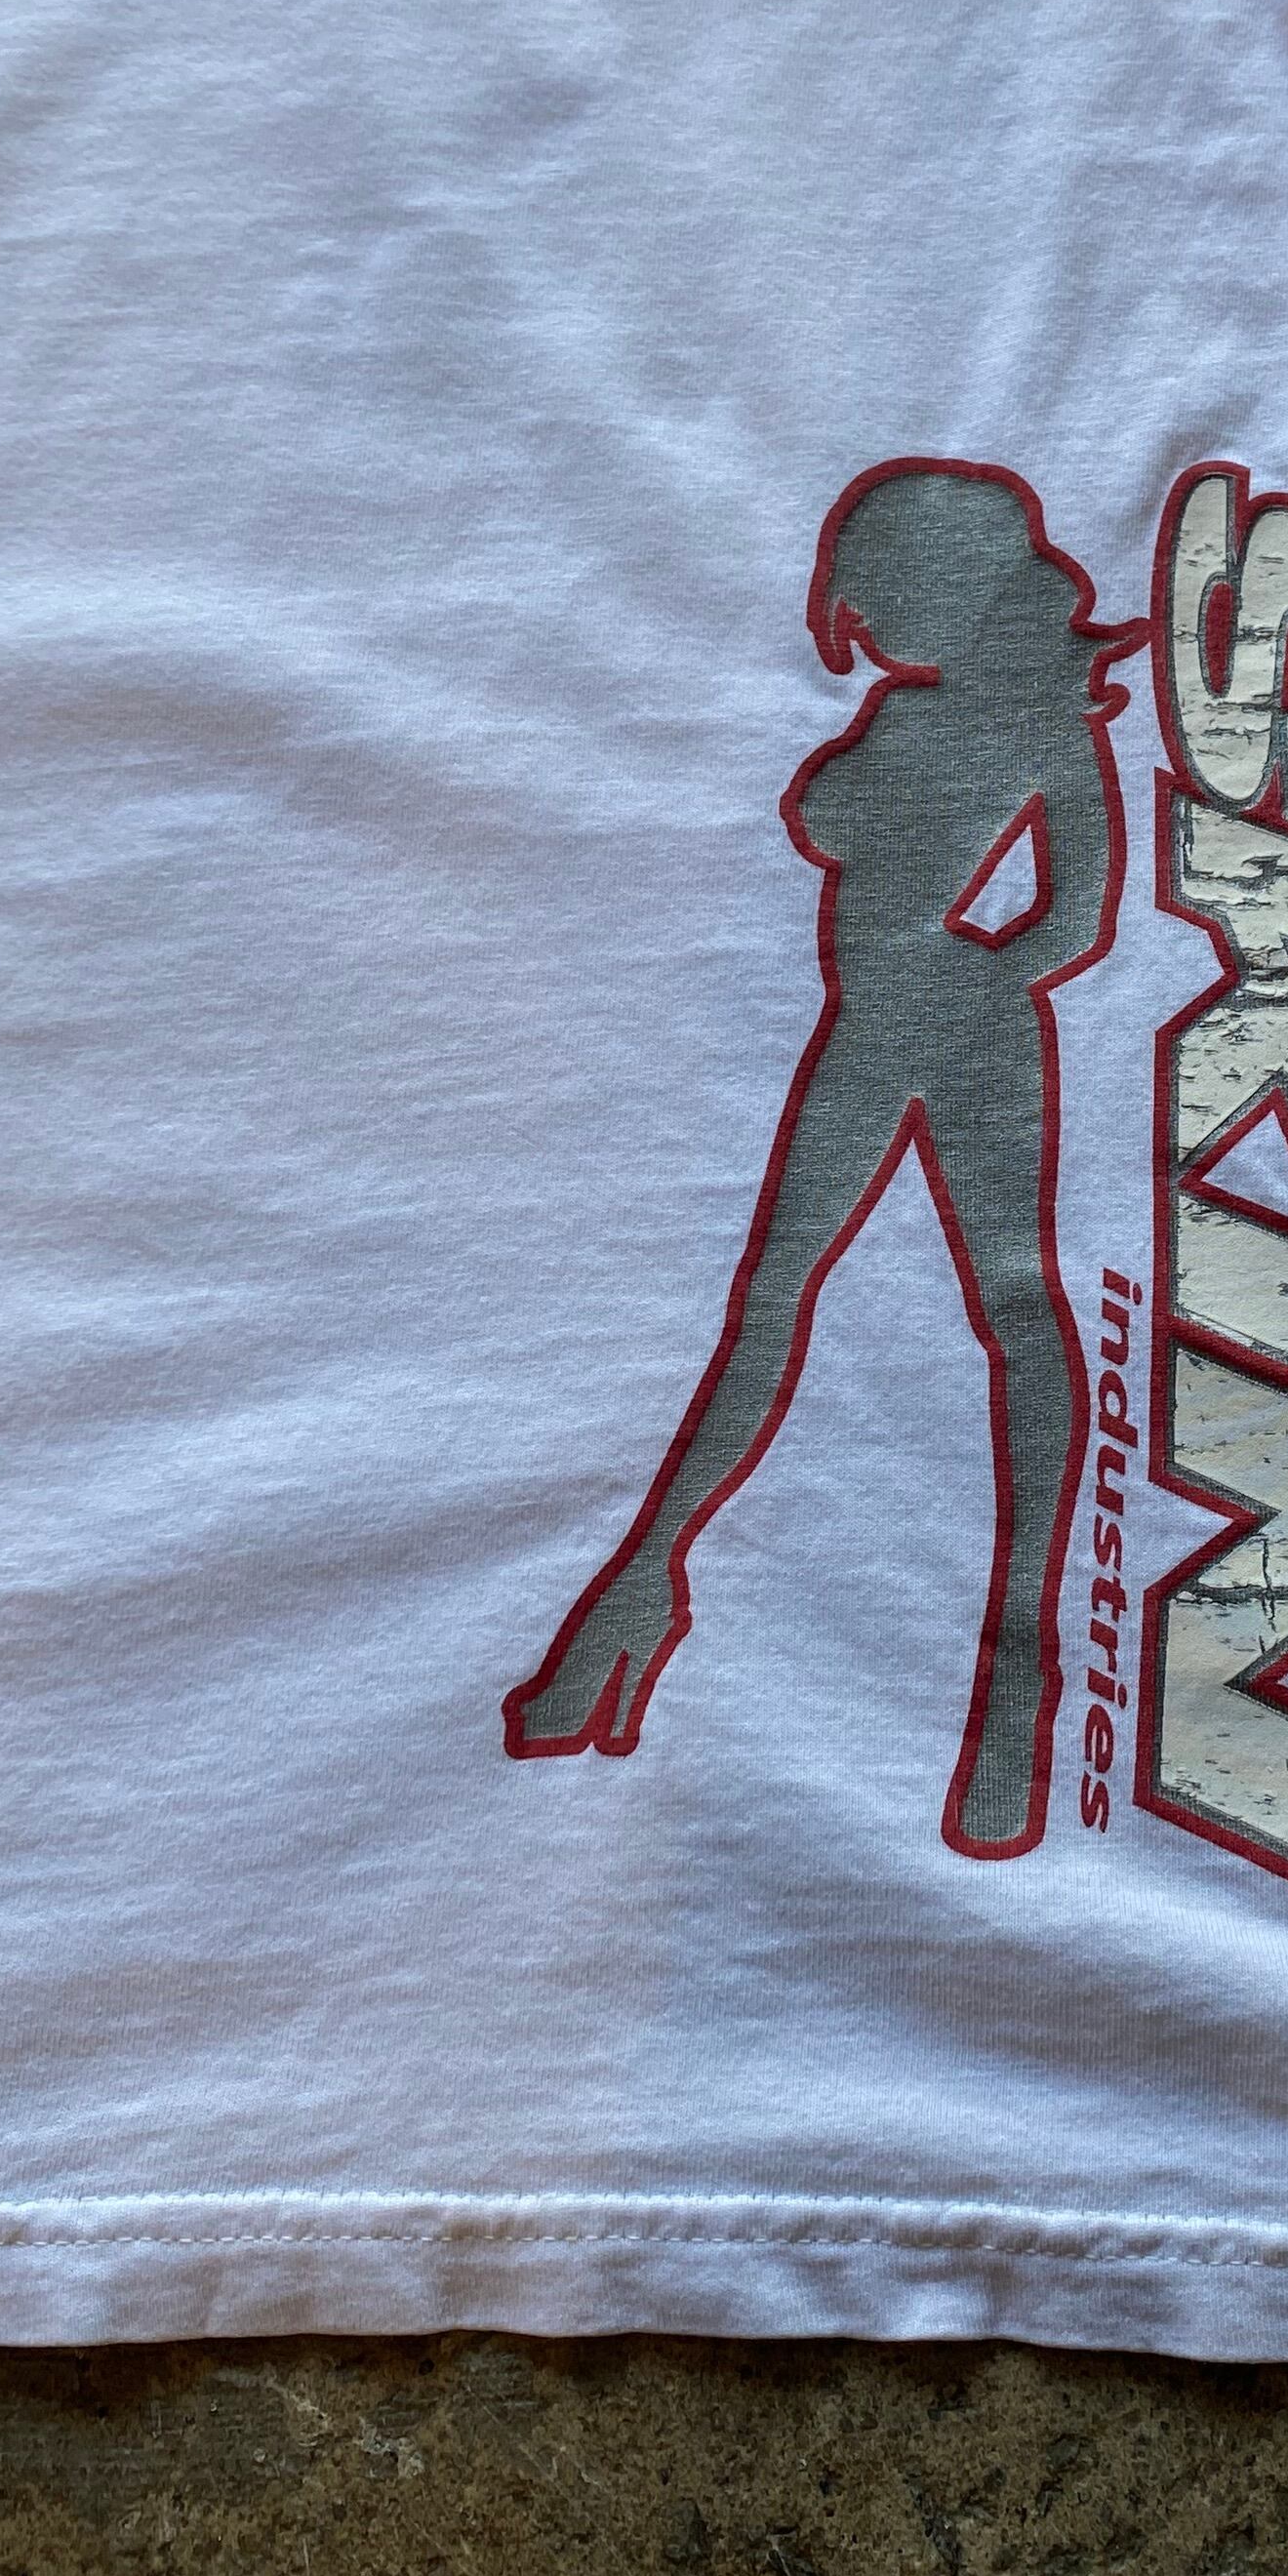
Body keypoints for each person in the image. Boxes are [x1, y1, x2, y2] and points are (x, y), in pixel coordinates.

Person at [504, 459, 1138, 1855]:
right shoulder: (973, 718)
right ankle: (649, 1590)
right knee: (820, 1300)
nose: (862, 628)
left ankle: (1010, 1689)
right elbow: (1064, 911)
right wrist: (977, 974)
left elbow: (1073, 910)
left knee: (986, 1309)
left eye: (882, 602)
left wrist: (971, 979)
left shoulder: (1016, 725)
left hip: (933, 1020)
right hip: (905, 1019)